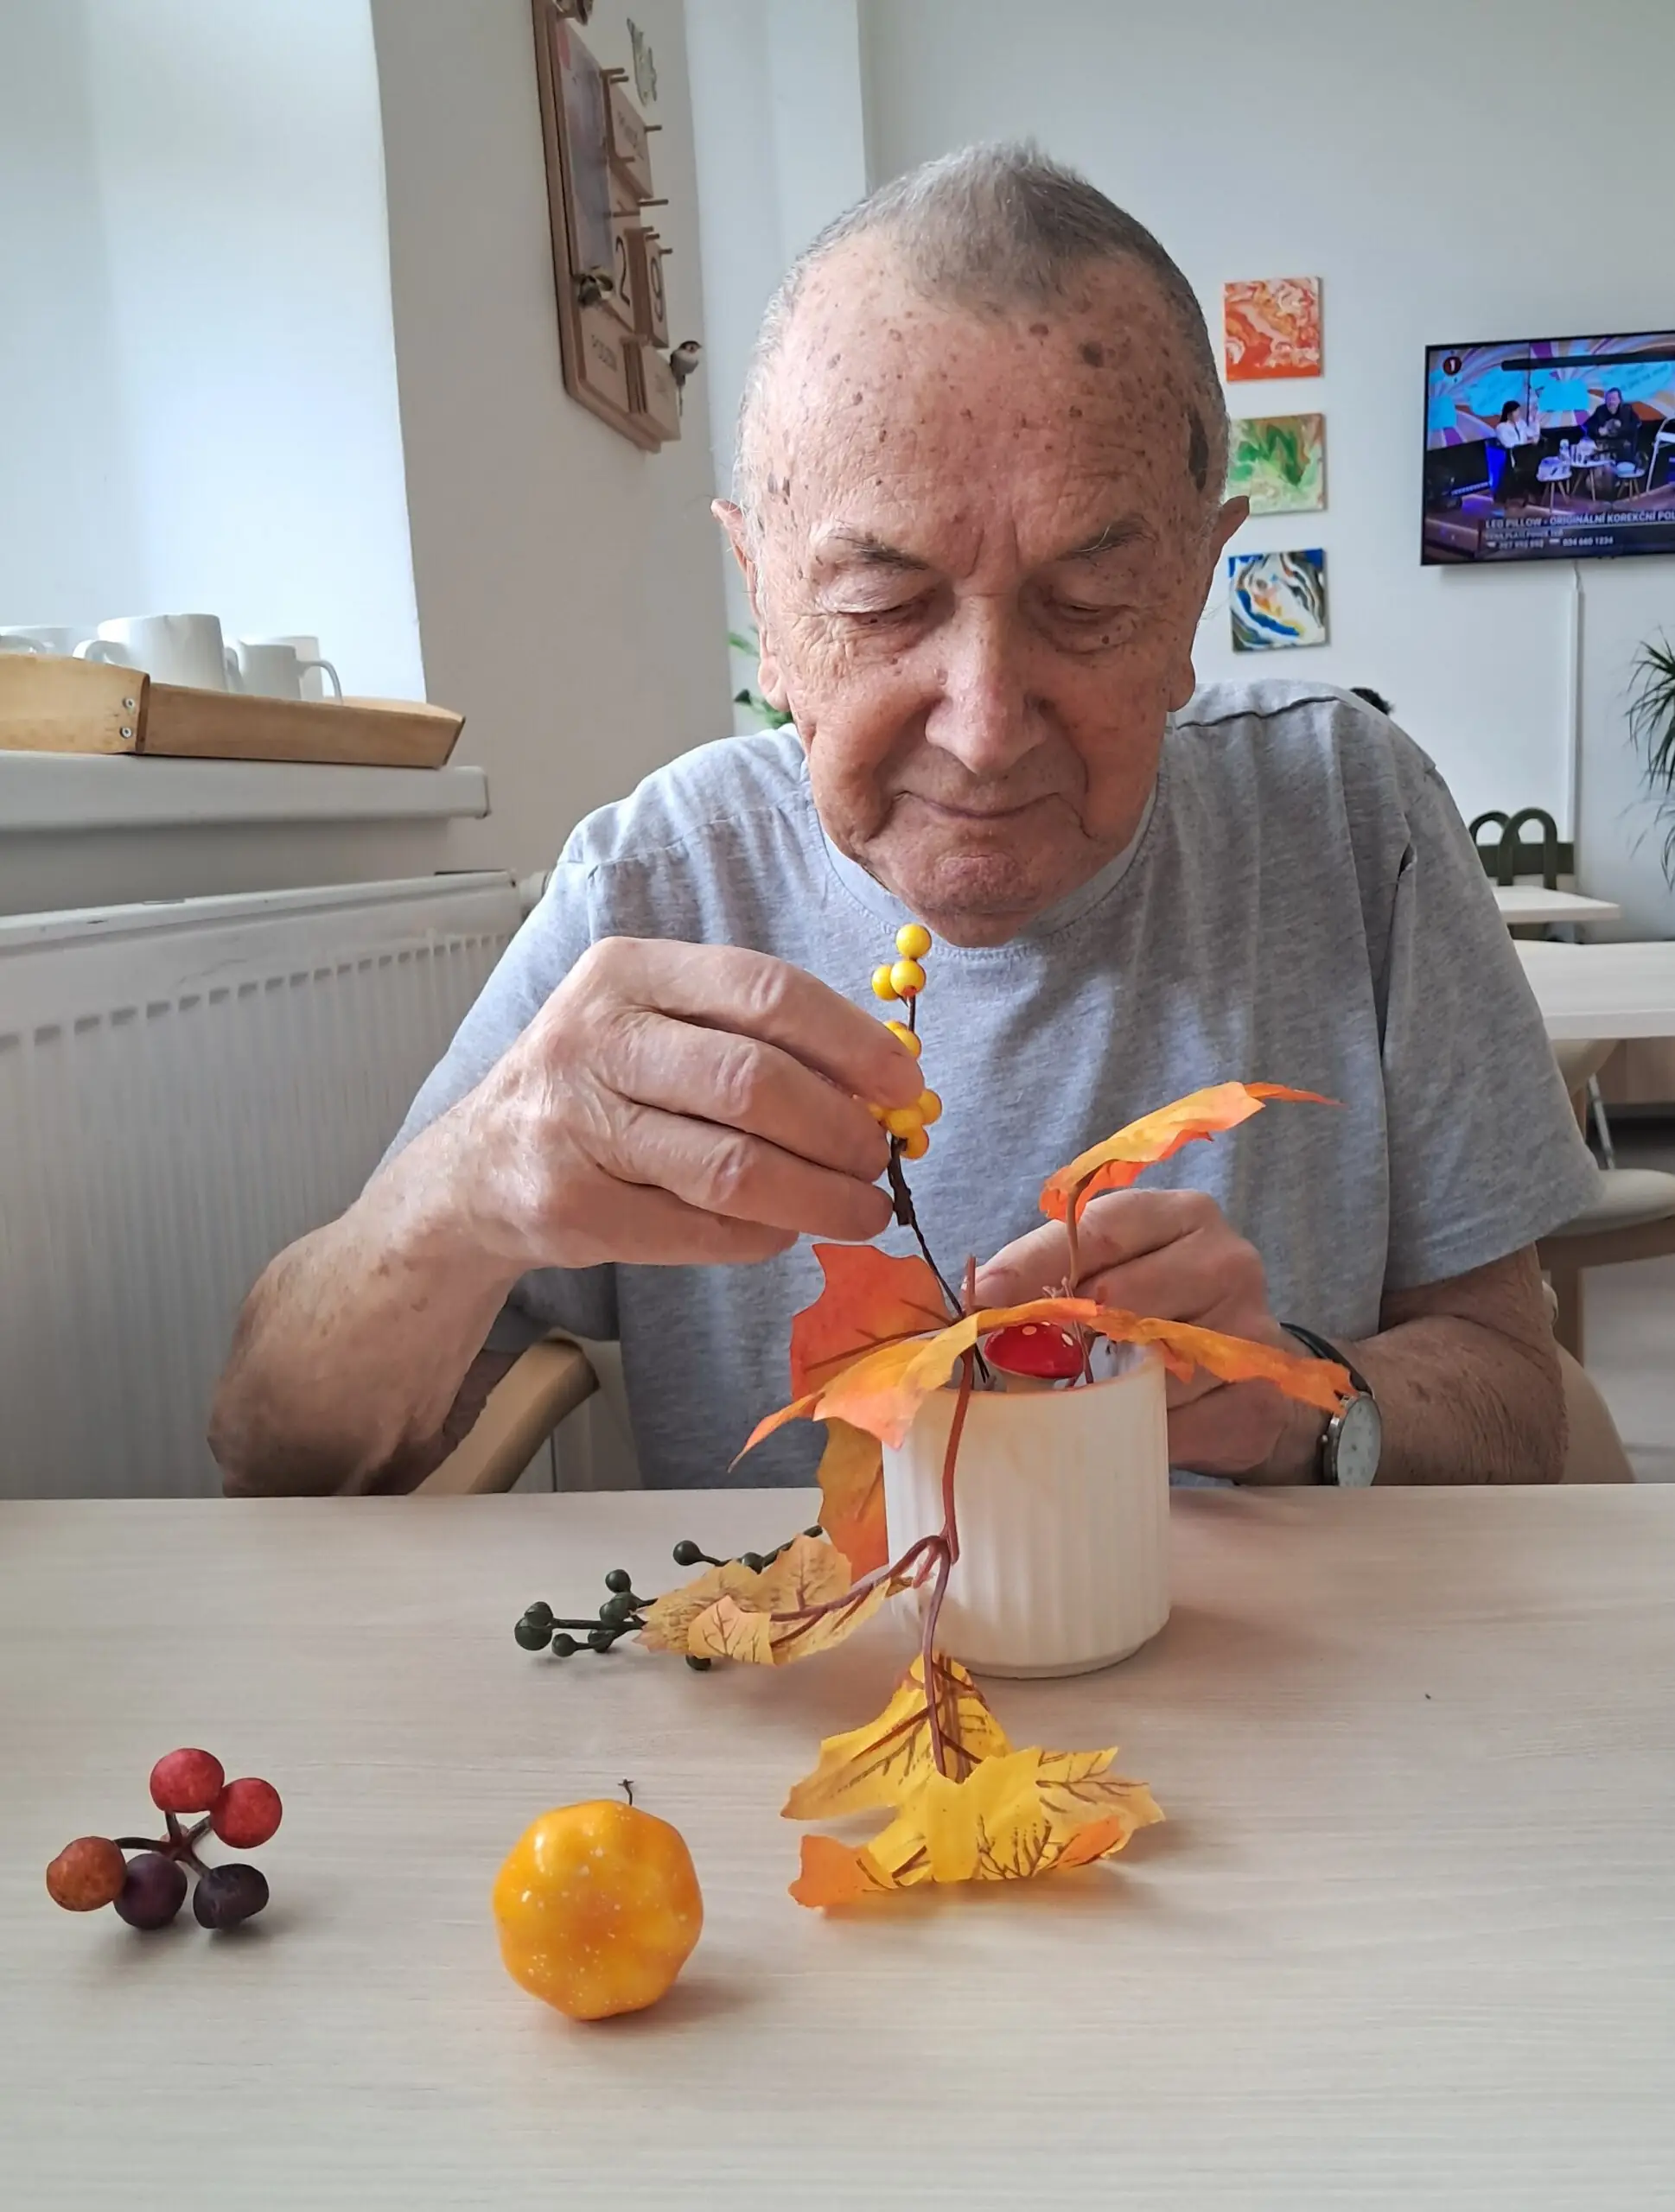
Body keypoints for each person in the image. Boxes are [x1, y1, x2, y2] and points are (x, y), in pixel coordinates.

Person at [210, 144, 1599, 1499]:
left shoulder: (1348, 814)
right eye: (881, 606)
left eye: (1088, 604)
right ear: (765, 599)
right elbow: (274, 1447)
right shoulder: (654, 881)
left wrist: (1291, 1398)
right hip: (800, 1654)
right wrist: (464, 1192)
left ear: (1191, 593)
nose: (983, 728)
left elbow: (1513, 1396)